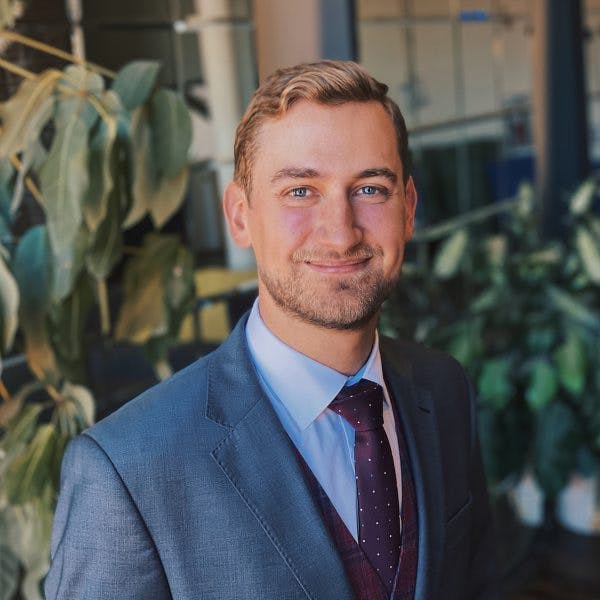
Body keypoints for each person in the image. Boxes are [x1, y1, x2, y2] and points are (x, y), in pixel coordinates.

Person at [45, 60, 498, 599]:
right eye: (300, 191)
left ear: (408, 209)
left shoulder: (444, 389)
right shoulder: (129, 472)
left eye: (371, 189)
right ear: (240, 216)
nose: (340, 232)